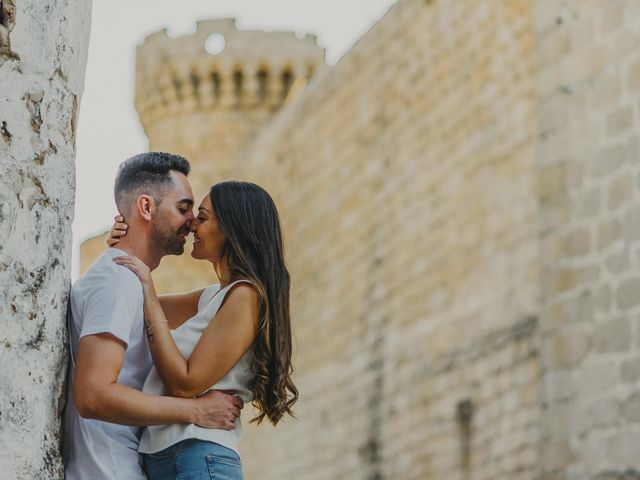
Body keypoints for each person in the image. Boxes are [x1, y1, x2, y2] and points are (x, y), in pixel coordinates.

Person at [63, 152, 243, 480]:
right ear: (147, 208)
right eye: (183, 208)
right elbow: (92, 394)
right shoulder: (117, 280)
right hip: (108, 470)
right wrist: (197, 410)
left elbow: (218, 301)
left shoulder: (128, 282)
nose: (191, 222)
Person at [108, 180, 298, 480]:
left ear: (233, 229)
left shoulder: (245, 296)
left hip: (200, 457)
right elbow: (131, 303)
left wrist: (147, 288)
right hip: (171, 457)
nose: (192, 224)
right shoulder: (214, 297)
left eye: (204, 217)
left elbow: (184, 384)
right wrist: (125, 245)